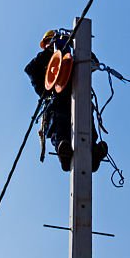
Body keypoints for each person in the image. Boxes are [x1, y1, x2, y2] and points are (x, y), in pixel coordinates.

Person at [24, 30, 108, 173]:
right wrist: (52, 51)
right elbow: (30, 69)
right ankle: (64, 153)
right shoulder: (45, 59)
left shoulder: (75, 52)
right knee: (60, 125)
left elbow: (92, 62)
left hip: (79, 96)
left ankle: (93, 154)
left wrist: (75, 44)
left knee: (86, 125)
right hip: (57, 98)